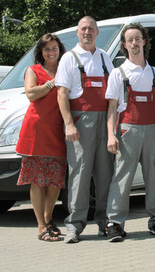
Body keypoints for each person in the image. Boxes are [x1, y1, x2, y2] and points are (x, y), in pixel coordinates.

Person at [103, 23, 155, 242]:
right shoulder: (118, 73)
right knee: (122, 176)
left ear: (144, 42)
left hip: (151, 128)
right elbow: (112, 109)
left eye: (137, 39)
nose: (134, 43)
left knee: (153, 177)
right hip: (127, 130)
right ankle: (114, 222)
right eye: (130, 40)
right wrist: (111, 135)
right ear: (124, 45)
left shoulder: (153, 71)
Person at [56, 16, 115, 243]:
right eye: (83, 29)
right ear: (78, 33)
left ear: (97, 32)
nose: (87, 32)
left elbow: (113, 91)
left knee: (105, 174)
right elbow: (62, 93)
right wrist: (69, 123)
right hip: (81, 122)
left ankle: (105, 222)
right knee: (79, 174)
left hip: (104, 121)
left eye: (91, 28)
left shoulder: (103, 57)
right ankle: (74, 225)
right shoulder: (69, 59)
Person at [16, 33, 67, 242]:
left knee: (55, 180)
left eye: (54, 48)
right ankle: (40, 226)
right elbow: (30, 94)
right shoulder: (33, 70)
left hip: (57, 129)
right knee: (37, 180)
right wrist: (52, 83)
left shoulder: (66, 68)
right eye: (47, 49)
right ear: (41, 52)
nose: (51, 52)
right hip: (36, 130)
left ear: (59, 50)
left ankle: (48, 219)